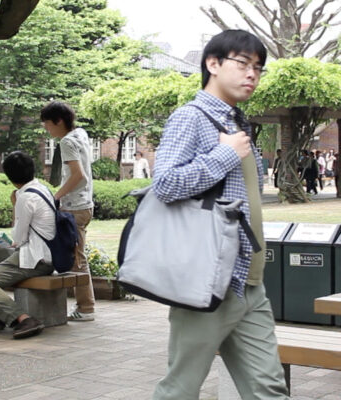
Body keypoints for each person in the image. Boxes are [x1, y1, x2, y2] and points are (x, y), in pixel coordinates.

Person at [151, 30, 288, 399]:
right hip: (206, 281)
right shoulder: (191, 118)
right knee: (180, 389)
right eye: (242, 63)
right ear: (213, 64)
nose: (252, 74)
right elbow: (164, 185)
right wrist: (224, 154)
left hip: (249, 282)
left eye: (258, 67)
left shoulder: (237, 123)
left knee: (269, 388)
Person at [0, 151, 55, 339]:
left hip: (35, 259)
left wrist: (15, 205)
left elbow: (18, 237)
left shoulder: (25, 198)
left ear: (9, 176)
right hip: (37, 252)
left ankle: (24, 319)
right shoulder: (42, 189)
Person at [40, 101, 95, 322]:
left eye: (47, 123)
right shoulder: (80, 133)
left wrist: (56, 196)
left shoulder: (67, 142)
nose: (46, 128)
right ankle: (84, 306)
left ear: (59, 121)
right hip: (84, 205)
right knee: (77, 257)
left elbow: (78, 175)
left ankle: (86, 308)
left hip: (75, 208)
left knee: (77, 260)